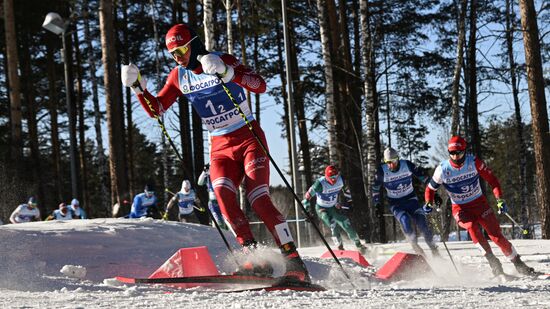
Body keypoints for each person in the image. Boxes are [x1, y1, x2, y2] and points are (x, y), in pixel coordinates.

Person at [121, 23, 309, 282]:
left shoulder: (221, 60)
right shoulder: (179, 76)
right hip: (220, 146)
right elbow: (157, 110)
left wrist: (229, 72)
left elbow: (260, 85)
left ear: (194, 44)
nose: (178, 58)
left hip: (248, 137)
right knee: (222, 197)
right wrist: (138, 88)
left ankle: (293, 261)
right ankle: (255, 258)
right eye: (173, 54)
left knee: (258, 199)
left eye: (182, 50)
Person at [424, 136, 535, 276]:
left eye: (459, 152)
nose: (456, 156)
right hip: (460, 208)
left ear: (465, 150)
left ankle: (518, 263)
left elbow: (492, 180)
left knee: (496, 237)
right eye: (452, 153)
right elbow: (430, 189)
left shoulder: (474, 162)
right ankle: (494, 264)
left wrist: (499, 199)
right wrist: (428, 202)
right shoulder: (442, 169)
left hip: (479, 204)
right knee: (471, 226)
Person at [372, 147, 439, 257]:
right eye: (388, 162)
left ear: (398, 158)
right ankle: (416, 247)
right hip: (396, 204)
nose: (391, 165)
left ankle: (434, 249)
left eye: (393, 161)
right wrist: (377, 205)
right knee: (405, 220)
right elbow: (375, 189)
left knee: (422, 223)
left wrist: (434, 193)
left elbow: (425, 178)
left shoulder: (406, 165)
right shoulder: (381, 171)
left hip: (411, 200)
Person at [302, 165, 367, 254]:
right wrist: (306, 211)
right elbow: (307, 197)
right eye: (331, 177)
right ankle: (340, 249)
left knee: (347, 225)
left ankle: (359, 246)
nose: (333, 180)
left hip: (333, 207)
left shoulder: (340, 180)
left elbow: (346, 191)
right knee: (333, 224)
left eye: (335, 177)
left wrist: (350, 202)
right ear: (326, 176)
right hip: (322, 208)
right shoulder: (320, 184)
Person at [197, 163, 228, 229]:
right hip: (213, 203)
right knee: (218, 222)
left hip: (222, 201)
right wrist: (204, 171)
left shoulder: (220, 174)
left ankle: (229, 235)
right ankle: (217, 235)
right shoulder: (208, 176)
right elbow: (199, 183)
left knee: (226, 221)